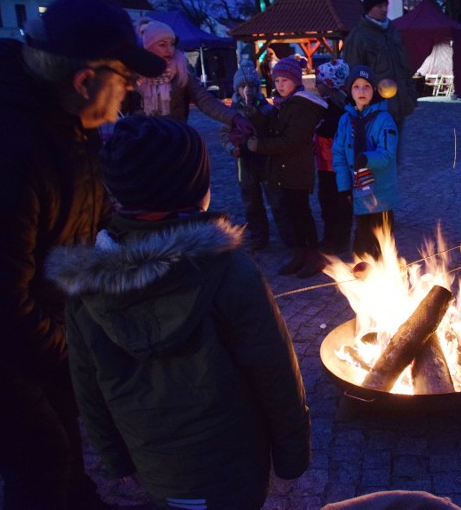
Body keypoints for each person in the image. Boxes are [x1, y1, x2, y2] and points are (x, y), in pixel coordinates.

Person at [46, 116, 311, 510]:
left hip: (154, 463)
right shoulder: (227, 270)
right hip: (233, 462)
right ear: (195, 189)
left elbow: (86, 383)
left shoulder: (86, 285)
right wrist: (291, 459)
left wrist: (115, 459)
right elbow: (273, 370)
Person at [0, 0, 166, 510]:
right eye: (125, 81)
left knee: (67, 435)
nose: (127, 95)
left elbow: (87, 213)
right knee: (40, 459)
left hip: (42, 319)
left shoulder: (68, 123)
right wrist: (77, 364)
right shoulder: (2, 148)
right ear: (85, 79)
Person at [246, 55, 328, 277]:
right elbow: (273, 127)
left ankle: (313, 256)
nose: (280, 85)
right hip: (284, 170)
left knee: (302, 213)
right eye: (277, 80)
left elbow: (291, 141)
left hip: (297, 169)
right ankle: (300, 253)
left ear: (295, 81)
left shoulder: (301, 106)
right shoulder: (283, 104)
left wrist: (258, 146)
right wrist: (255, 115)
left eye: (285, 80)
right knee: (292, 214)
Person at [127, 18, 254, 138]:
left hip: (174, 137)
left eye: (172, 44)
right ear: (149, 46)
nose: (169, 50)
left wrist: (234, 118)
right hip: (141, 140)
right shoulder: (134, 74)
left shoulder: (181, 72)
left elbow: (205, 100)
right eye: (162, 45)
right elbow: (120, 105)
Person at [220, 60, 294, 250]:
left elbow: (273, 130)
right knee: (251, 202)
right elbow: (224, 134)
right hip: (244, 163)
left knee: (277, 200)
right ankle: (258, 236)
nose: (248, 90)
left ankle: (288, 235)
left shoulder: (267, 109)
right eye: (243, 86)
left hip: (266, 160)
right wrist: (231, 148)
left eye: (252, 86)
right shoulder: (231, 113)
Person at [332, 65, 399, 259]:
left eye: (367, 86)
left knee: (381, 243)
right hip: (359, 192)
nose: (361, 91)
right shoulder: (345, 120)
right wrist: (344, 187)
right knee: (361, 241)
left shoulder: (384, 119)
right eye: (356, 87)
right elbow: (339, 154)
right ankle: (362, 278)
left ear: (374, 90)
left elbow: (387, 154)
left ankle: (385, 278)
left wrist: (366, 159)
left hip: (381, 193)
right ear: (350, 91)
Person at [343, 0, 417, 156]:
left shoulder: (392, 31)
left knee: (393, 153)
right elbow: (354, 75)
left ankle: (390, 181)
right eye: (379, 6)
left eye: (385, 5)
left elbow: (404, 66)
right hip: (375, 107)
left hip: (398, 104)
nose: (384, 9)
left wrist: (410, 94)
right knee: (377, 152)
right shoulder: (358, 37)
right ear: (369, 8)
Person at [315, 59, 353, 254]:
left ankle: (339, 240)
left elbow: (328, 130)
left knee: (338, 205)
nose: (315, 86)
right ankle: (330, 237)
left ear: (329, 84)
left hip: (337, 166)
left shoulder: (339, 108)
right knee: (327, 203)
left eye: (318, 82)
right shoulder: (327, 105)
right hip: (325, 164)